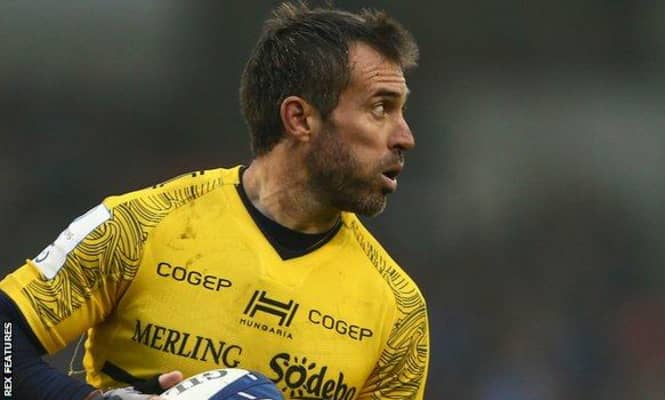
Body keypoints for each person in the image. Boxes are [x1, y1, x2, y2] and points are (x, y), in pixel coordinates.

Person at [0, 2, 430, 399]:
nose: (405, 137)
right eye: (380, 108)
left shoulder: (399, 311)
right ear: (300, 118)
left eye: (402, 111)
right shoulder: (139, 227)